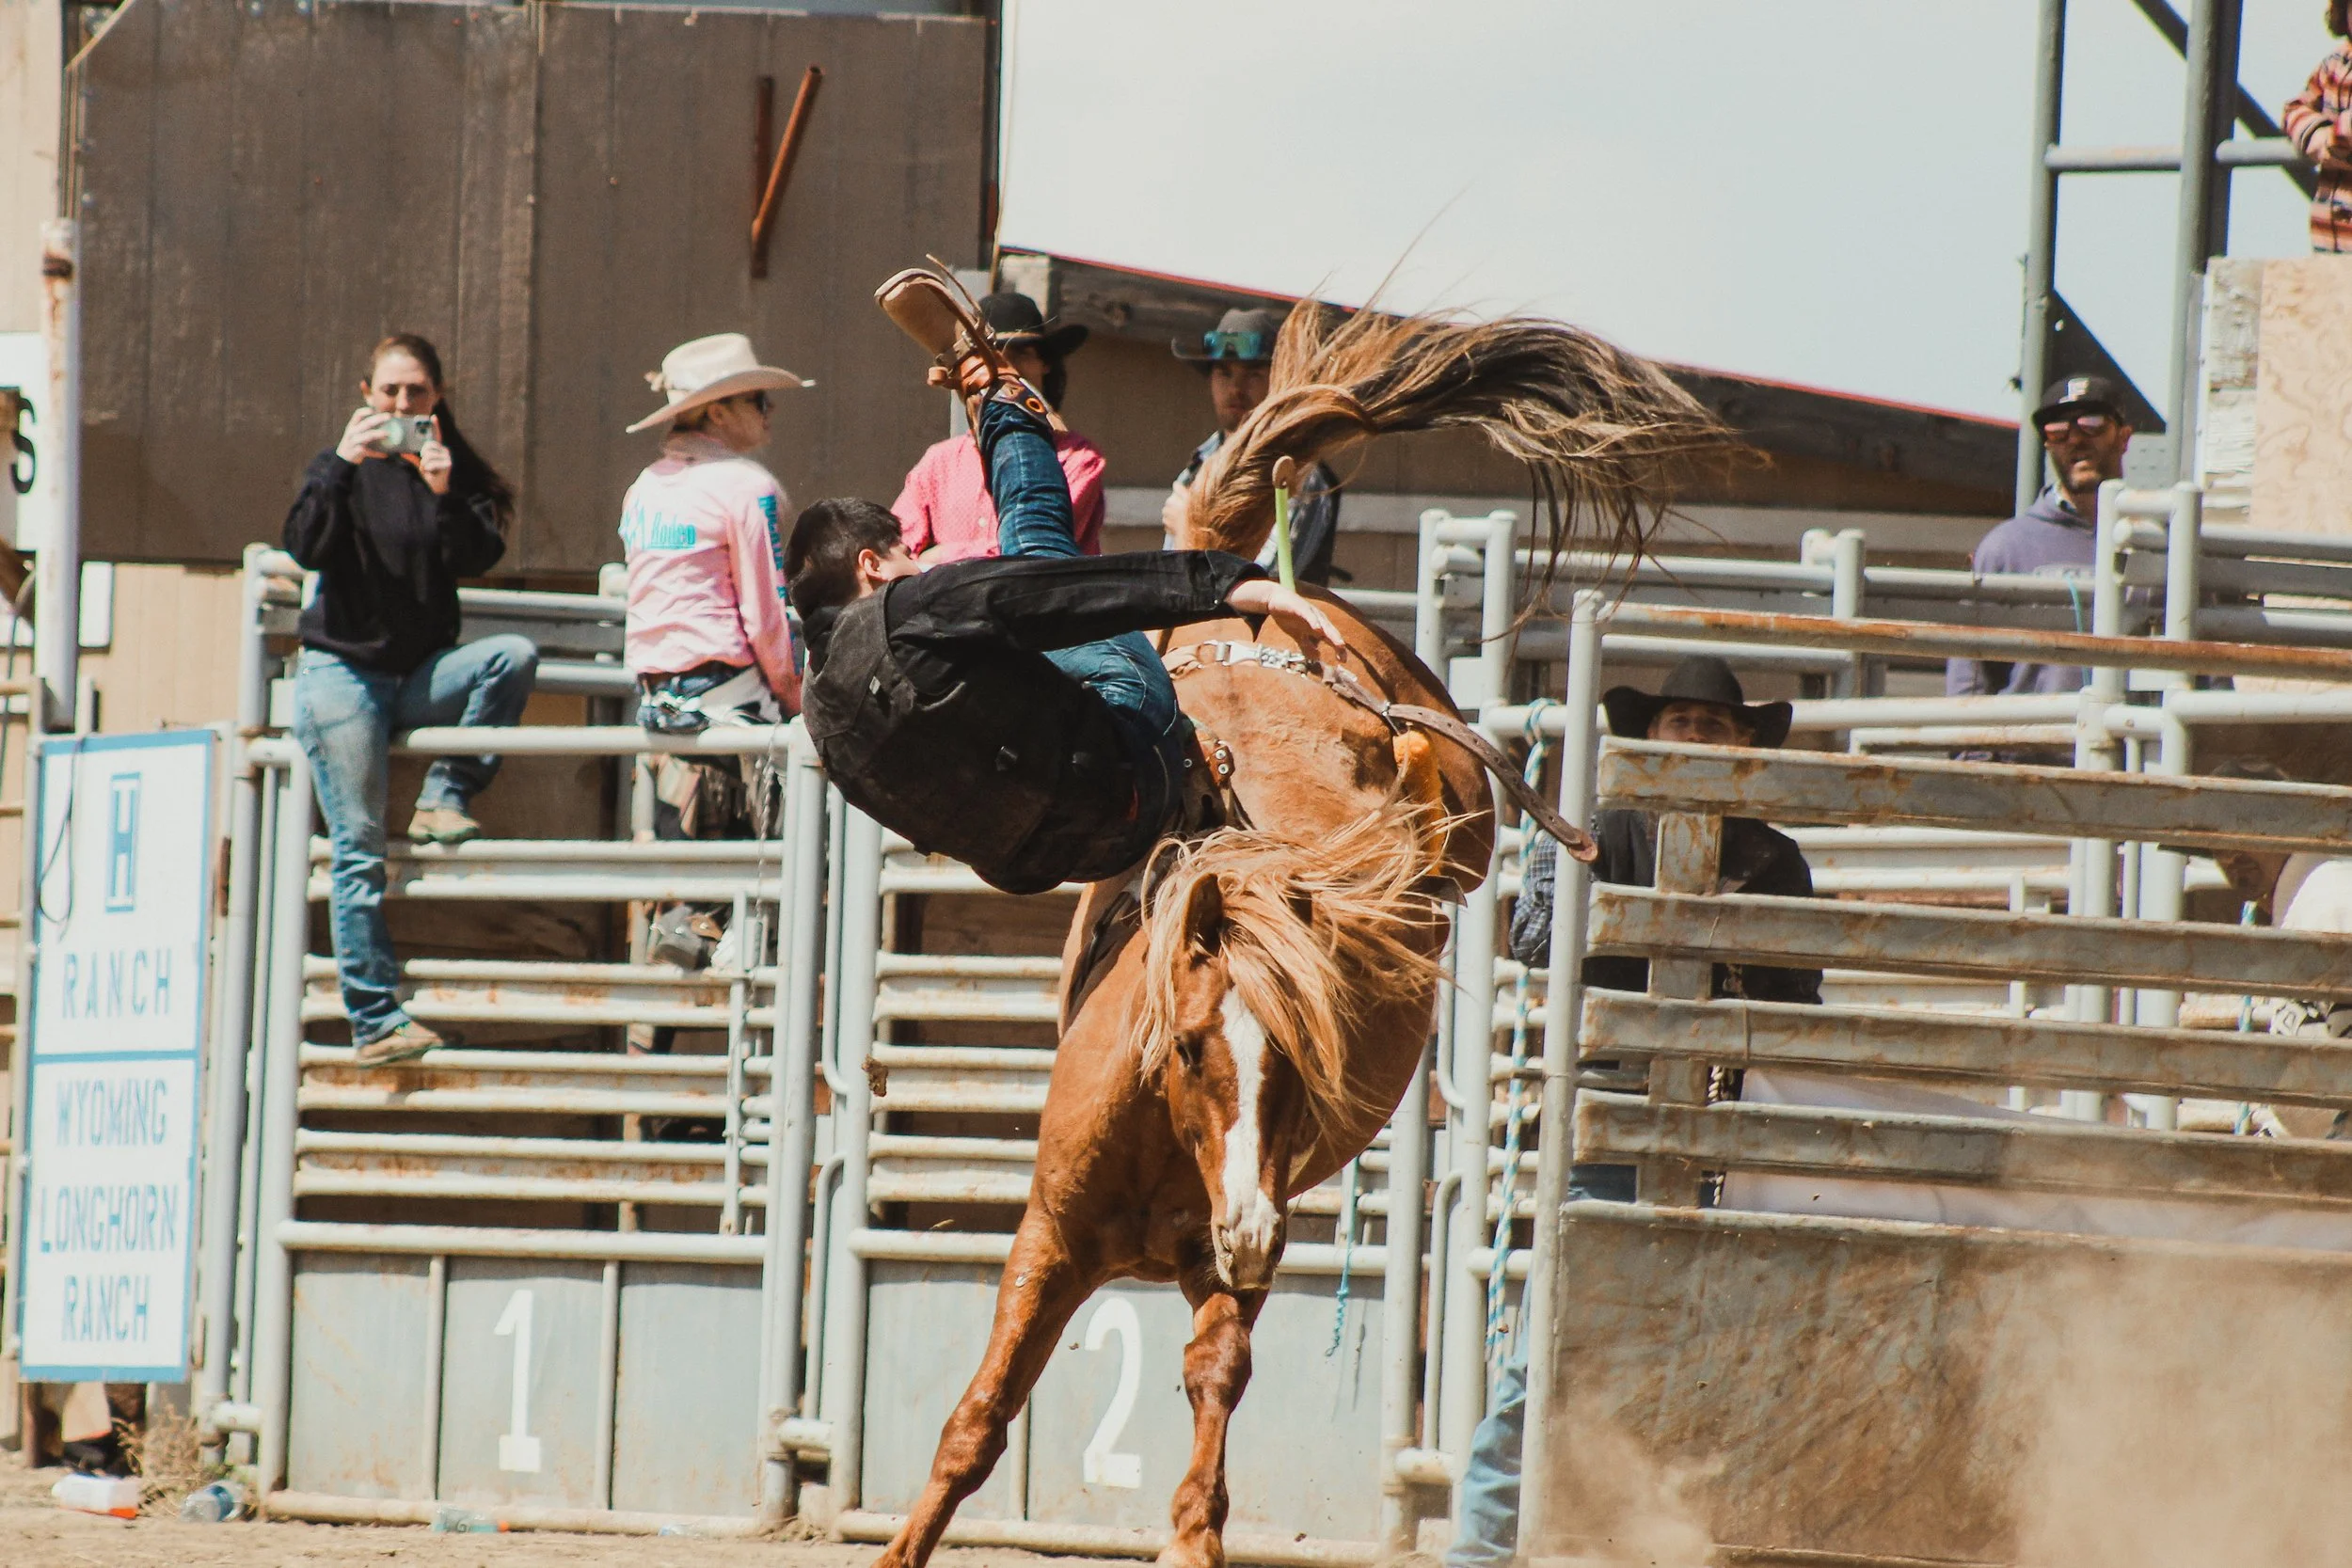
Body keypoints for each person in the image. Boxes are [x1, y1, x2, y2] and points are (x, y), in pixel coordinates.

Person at [787, 270, 1347, 897]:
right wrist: (1227, 581)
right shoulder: (911, 607)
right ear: (870, 565)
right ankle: (996, 387)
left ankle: (992, 392)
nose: (917, 563)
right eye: (904, 555)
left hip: (1037, 865)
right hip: (1136, 776)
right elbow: (1060, 590)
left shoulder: (820, 715)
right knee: (1037, 539)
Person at [1449, 656, 1820, 1568]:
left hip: (1728, 1131)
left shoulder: (1771, 857)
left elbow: (1798, 996)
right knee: (1548, 1348)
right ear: (1652, 734)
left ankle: (1675, 1538)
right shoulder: (1598, 830)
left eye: (1713, 725)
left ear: (1740, 746)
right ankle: (1481, 1547)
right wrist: (1586, 882)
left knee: (1721, 1348)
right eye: (1681, 721)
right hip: (1609, 1116)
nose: (1694, 735)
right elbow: (1531, 936)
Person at [285, 333, 535, 1068]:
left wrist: (443, 496)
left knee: (511, 657)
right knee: (358, 849)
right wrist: (340, 462)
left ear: (438, 398)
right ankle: (375, 1020)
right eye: (389, 392)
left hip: (418, 673)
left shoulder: (449, 475)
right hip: (342, 673)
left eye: (416, 393)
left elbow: (479, 556)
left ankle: (445, 792)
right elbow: (304, 544)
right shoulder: (341, 470)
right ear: (365, 394)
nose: (401, 406)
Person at [618, 332, 809, 970]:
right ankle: (761, 1016)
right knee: (774, 877)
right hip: (732, 708)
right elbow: (767, 613)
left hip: (658, 707)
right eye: (758, 399)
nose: (768, 412)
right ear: (719, 411)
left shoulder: (645, 486)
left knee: (684, 885)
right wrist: (796, 695)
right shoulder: (746, 487)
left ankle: (652, 1039)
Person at [1945, 376, 2133, 700]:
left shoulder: (2162, 546)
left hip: (2135, 744)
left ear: (2124, 437)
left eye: (2092, 423)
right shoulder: (2006, 548)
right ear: (2047, 444)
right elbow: (1970, 674)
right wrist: (1973, 752)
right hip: (2033, 745)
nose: (2075, 439)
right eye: (2057, 430)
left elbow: (2207, 670)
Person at [893, 293, 1105, 562]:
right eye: (990, 357)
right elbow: (896, 548)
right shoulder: (939, 463)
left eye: (1020, 353)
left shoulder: (1078, 458)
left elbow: (1041, 549)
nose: (1006, 368)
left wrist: (943, 556)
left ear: (1045, 363)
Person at [1164, 307, 1343, 585]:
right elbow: (1169, 584)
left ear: (1277, 382)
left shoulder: (1297, 474)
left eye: (1253, 375)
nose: (1236, 389)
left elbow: (1260, 582)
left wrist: (1187, 526)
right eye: (1224, 373)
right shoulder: (1196, 468)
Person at [2285, 3, 2352, 252]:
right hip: (2332, 235)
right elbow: (2295, 108)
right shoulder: (2336, 63)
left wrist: (2338, 136)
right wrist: (2318, 136)